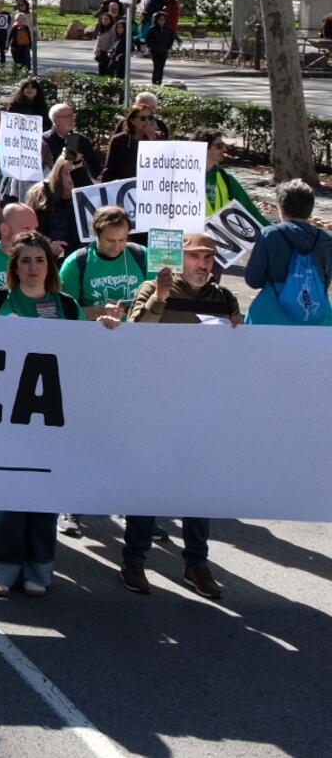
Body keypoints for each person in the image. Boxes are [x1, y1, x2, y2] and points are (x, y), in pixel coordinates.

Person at [114, 231, 235, 599]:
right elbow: (135, 336)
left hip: (201, 409)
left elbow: (237, 354)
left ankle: (196, 564)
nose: (203, 264)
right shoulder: (153, 290)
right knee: (148, 487)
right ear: (179, 259)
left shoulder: (225, 298)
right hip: (156, 408)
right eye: (196, 257)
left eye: (209, 258)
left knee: (197, 491)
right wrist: (160, 300)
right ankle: (134, 560)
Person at [0, 231, 89, 597]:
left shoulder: (67, 306)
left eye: (39, 260)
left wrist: (109, 330)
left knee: (44, 493)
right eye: (25, 260)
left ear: (50, 265)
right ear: (14, 266)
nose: (33, 267)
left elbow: (89, 354)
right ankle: (1, 565)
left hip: (52, 417)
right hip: (4, 415)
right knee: (6, 491)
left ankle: (39, 565)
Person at [244, 179, 332, 326]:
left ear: (281, 207)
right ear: (310, 208)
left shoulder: (270, 234)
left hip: (271, 316)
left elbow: (253, 280)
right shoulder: (325, 240)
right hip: (316, 319)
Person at [58, 204, 149, 314]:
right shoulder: (75, 263)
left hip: (136, 329)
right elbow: (65, 312)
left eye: (122, 240)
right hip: (93, 330)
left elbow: (157, 299)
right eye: (110, 240)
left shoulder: (142, 255)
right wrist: (100, 310)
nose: (116, 247)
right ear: (96, 233)